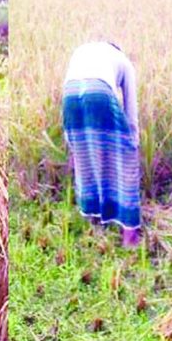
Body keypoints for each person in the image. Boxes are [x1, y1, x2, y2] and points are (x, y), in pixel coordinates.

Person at [62, 41, 141, 247]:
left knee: (85, 157)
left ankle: (93, 221)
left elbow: (70, 82)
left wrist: (69, 137)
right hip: (99, 90)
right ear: (118, 49)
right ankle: (130, 236)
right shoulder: (124, 62)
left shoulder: (81, 50)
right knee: (125, 160)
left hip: (69, 94)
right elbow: (131, 108)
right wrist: (133, 142)